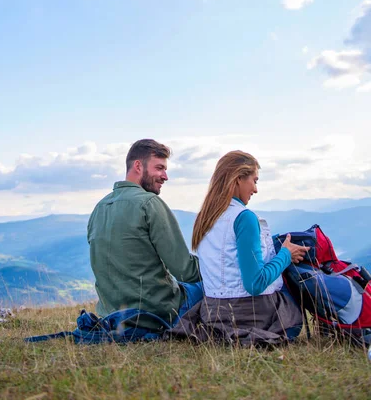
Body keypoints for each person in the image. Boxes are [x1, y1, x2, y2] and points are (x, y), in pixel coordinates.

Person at [171, 150, 309, 346]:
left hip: (213, 313)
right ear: (238, 179)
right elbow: (255, 284)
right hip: (249, 313)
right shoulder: (244, 217)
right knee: (290, 288)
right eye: (254, 180)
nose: (255, 189)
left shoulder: (204, 217)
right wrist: (285, 255)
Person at [87, 139, 202, 329]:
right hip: (155, 313)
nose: (165, 176)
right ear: (138, 166)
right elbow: (184, 271)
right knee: (205, 287)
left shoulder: (99, 208)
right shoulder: (149, 204)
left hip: (111, 315)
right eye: (159, 168)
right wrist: (217, 268)